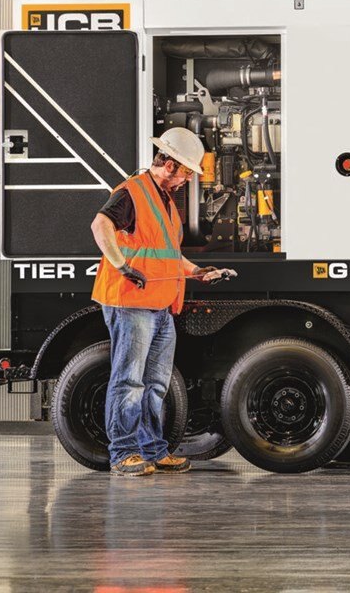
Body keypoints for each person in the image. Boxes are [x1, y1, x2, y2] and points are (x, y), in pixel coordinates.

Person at [90, 127, 231, 477]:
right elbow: (100, 225)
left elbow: (167, 255)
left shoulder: (165, 201)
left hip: (160, 306)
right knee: (129, 382)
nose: (188, 179)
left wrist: (198, 272)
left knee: (155, 385)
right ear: (169, 165)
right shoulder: (132, 192)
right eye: (186, 172)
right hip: (131, 303)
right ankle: (123, 453)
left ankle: (153, 450)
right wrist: (122, 266)